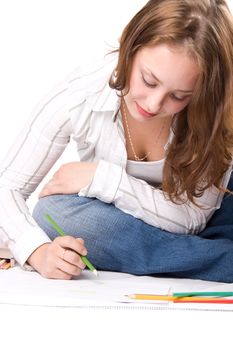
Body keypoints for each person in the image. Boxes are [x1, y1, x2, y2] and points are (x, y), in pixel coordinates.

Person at [0, 0, 233, 282]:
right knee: (54, 213)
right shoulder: (81, 94)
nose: (154, 103)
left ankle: (201, 260)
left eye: (179, 96)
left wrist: (103, 179)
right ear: (130, 48)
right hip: (135, 225)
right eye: (149, 80)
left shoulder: (212, 110)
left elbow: (190, 221)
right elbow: (7, 187)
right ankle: (219, 261)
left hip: (217, 218)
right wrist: (38, 252)